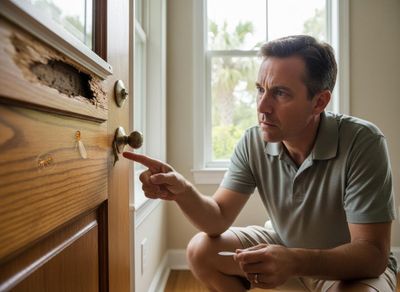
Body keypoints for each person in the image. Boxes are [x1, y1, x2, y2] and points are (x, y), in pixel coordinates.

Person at [123, 35, 397, 291]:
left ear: (319, 102)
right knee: (201, 251)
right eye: (260, 90)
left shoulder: (363, 141)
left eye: (280, 93)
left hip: (347, 267)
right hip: (284, 244)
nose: (262, 106)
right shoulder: (254, 142)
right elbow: (217, 218)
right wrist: (183, 191)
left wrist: (295, 260)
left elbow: (372, 254)